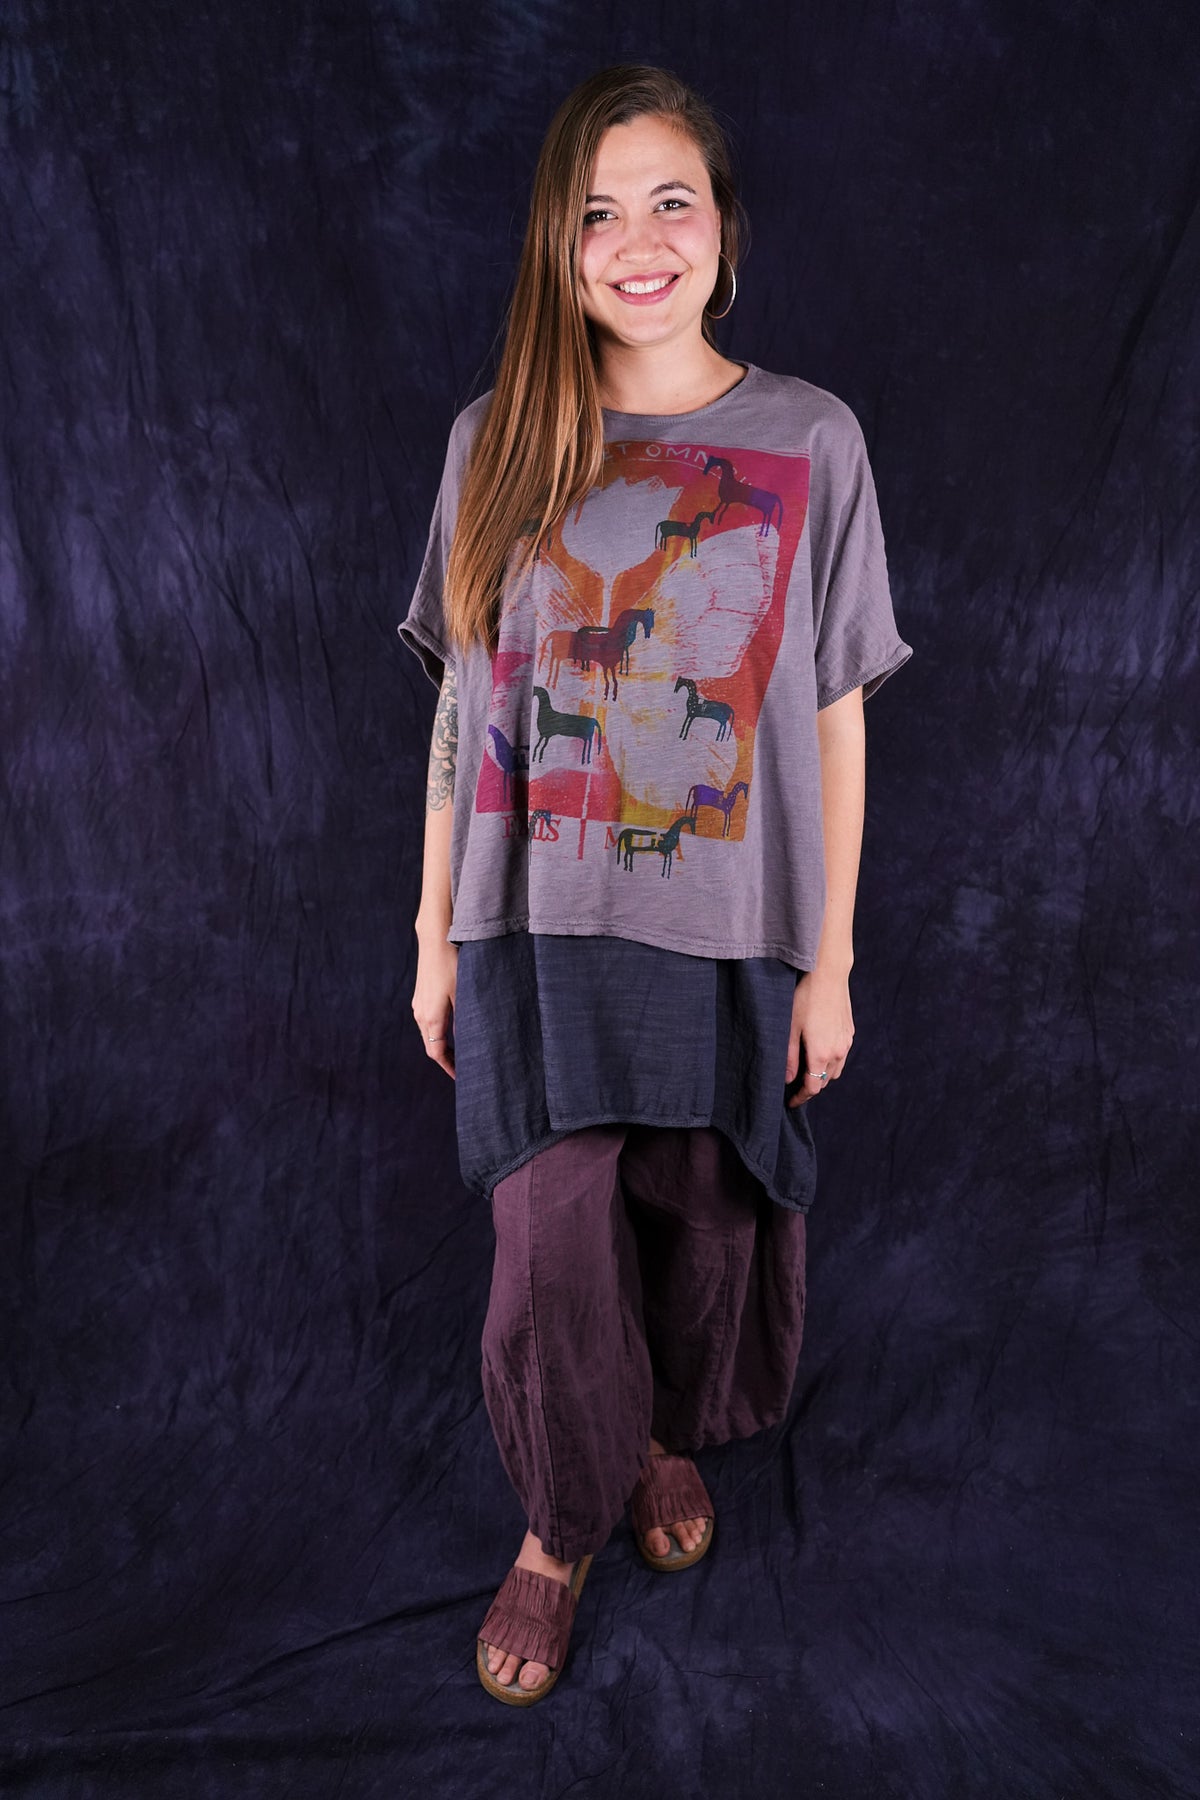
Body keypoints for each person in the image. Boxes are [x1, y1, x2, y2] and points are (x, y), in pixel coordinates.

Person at [398, 63, 911, 1706]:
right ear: (560, 251)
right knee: (550, 1250)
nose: (638, 243)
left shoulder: (812, 439)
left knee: (704, 1227)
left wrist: (831, 962)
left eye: (670, 202)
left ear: (724, 230)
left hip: (732, 928)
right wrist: (431, 932)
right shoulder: (495, 441)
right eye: (599, 214)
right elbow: (463, 709)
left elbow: (832, 717)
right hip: (533, 930)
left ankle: (659, 1440)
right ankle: (559, 1527)